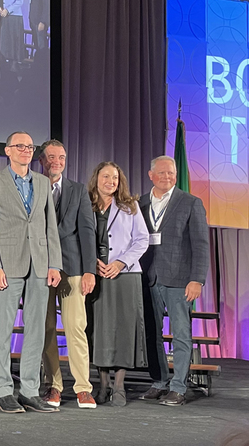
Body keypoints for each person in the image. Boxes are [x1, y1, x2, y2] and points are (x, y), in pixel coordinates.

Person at [0, 131, 61, 414]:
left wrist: (54, 263)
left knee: (36, 331)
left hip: (40, 264)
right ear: (8, 150)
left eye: (30, 146)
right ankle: (3, 391)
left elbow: (50, 226)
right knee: (2, 331)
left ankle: (29, 390)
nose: (26, 150)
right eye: (20, 146)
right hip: (8, 265)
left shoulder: (42, 182)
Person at [138, 155, 209, 406]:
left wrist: (197, 279)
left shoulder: (191, 203)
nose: (167, 177)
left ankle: (178, 387)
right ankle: (159, 382)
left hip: (180, 279)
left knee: (180, 334)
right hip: (148, 277)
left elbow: (201, 245)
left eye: (171, 173)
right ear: (151, 175)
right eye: (162, 173)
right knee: (151, 334)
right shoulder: (140, 202)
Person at [37, 140, 97, 410]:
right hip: (40, 270)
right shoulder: (34, 188)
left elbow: (87, 231)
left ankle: (83, 387)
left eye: (61, 157)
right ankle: (54, 386)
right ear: (42, 161)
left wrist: (89, 271)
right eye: (51, 157)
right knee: (47, 329)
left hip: (72, 269)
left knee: (75, 328)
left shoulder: (78, 190)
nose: (56, 162)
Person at [87, 161, 149, 406]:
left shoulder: (129, 206)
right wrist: (90, 263)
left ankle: (120, 386)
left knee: (123, 330)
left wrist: (122, 262)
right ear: (97, 178)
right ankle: (103, 386)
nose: (110, 181)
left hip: (125, 275)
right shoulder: (86, 204)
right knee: (99, 330)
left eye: (114, 177)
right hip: (95, 275)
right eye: (105, 176)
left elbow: (142, 240)